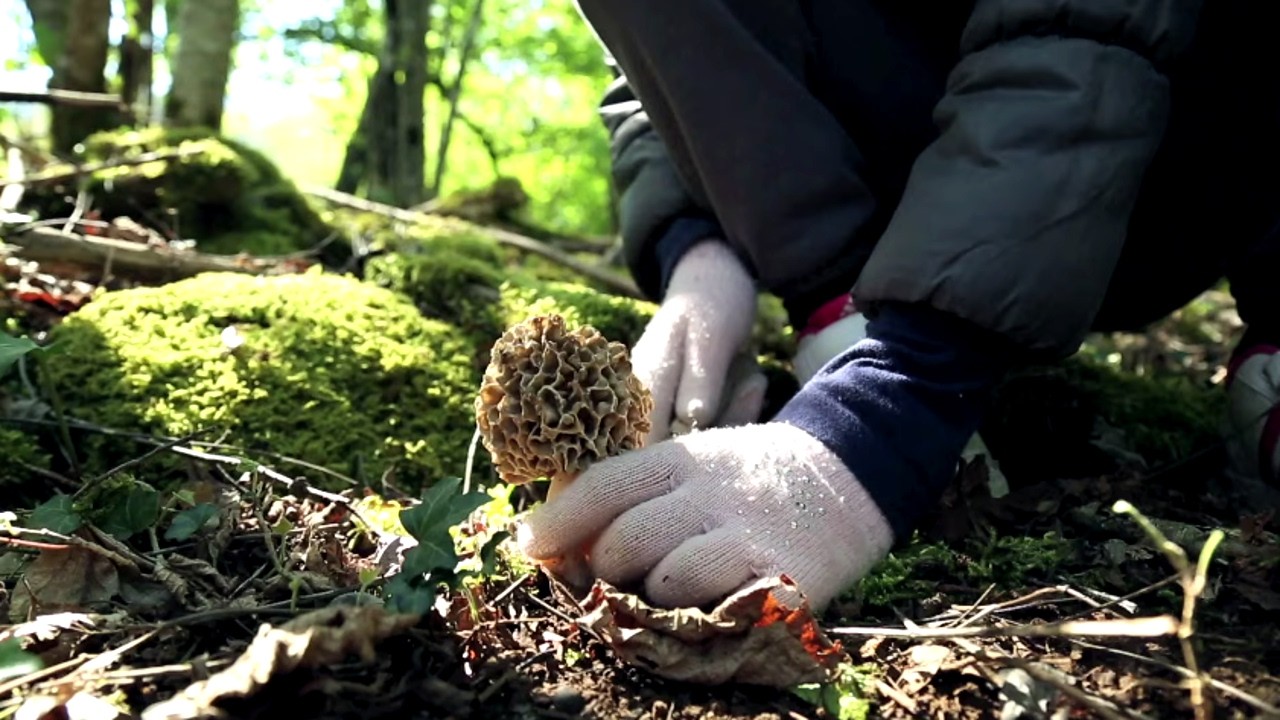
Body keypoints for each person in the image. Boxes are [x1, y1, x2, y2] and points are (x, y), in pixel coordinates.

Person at [517, 0, 1280, 614]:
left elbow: (1082, 21)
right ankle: (841, 311)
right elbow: (651, 71)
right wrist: (701, 252)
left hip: (1186, 144)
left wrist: (890, 403)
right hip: (909, 177)